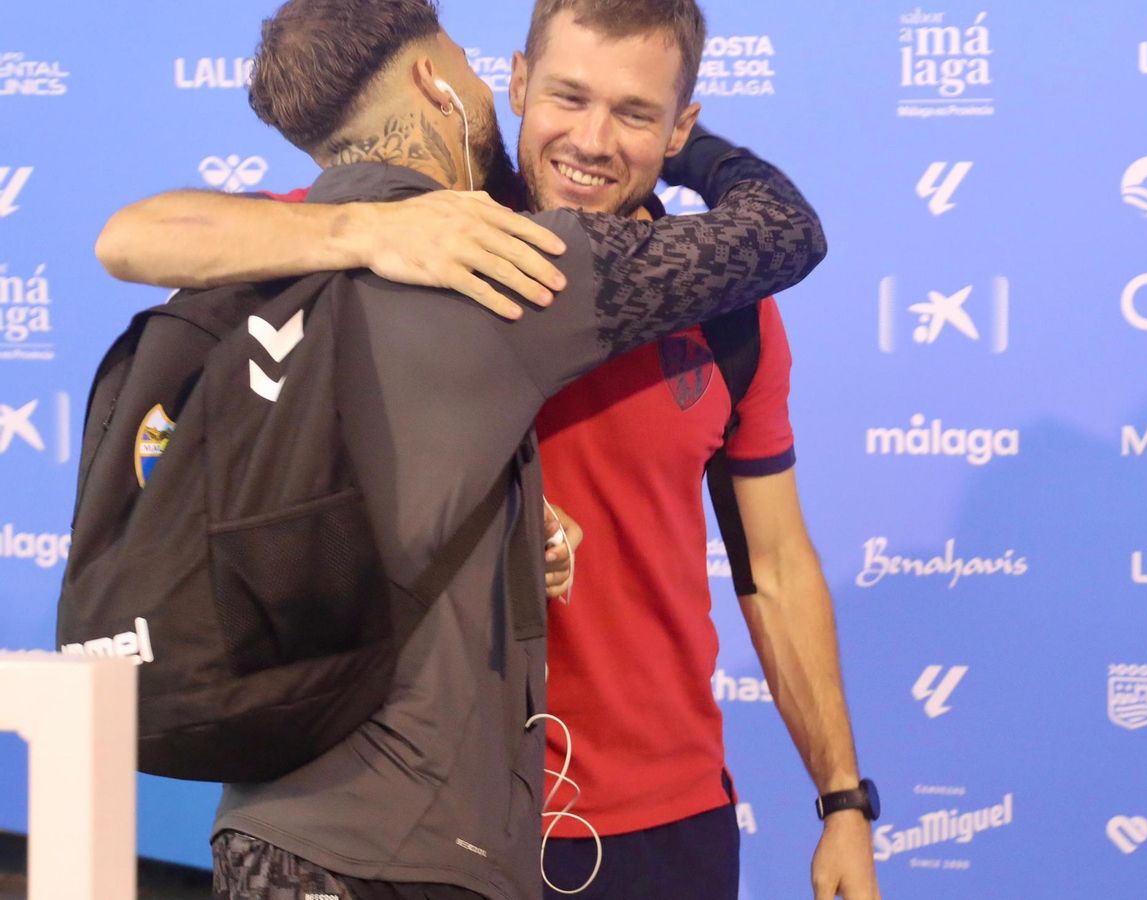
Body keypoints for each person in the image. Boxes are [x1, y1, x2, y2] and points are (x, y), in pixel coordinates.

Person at [98, 2, 879, 899]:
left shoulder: (731, 309)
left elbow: (775, 566)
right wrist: (366, 233)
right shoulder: (425, 237)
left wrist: (842, 801)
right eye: (567, 96)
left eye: (634, 114)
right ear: (514, 84)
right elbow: (135, 236)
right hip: (420, 825)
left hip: (660, 823)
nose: (590, 140)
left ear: (680, 128)